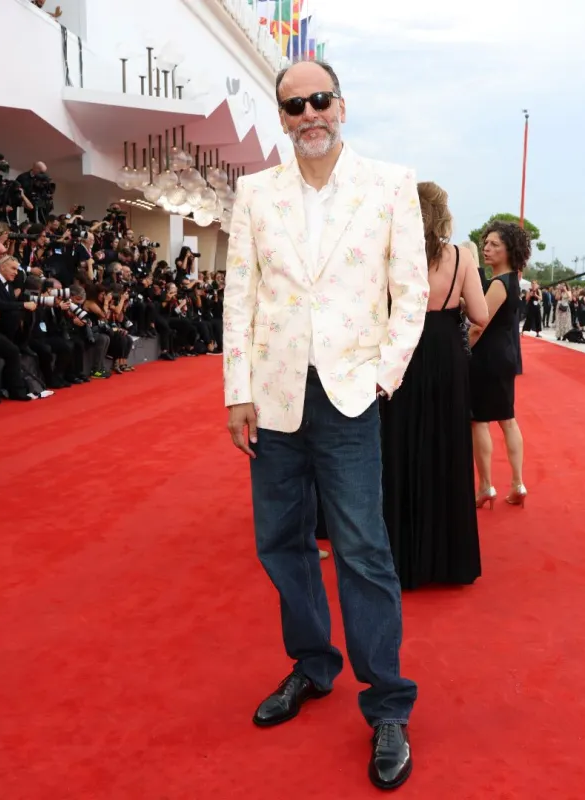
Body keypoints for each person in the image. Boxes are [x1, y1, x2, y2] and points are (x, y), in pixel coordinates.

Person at [223, 60, 427, 791]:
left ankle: (388, 704)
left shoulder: (390, 185)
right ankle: (312, 666)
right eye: (293, 105)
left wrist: (383, 374)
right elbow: (239, 294)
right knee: (280, 542)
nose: (308, 113)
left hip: (348, 395)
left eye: (319, 100)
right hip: (274, 396)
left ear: (342, 105)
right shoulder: (253, 192)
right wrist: (236, 390)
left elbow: (411, 293)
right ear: (280, 117)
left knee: (363, 548)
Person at [381, 181, 488, 590]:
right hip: (446, 356)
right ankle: (449, 562)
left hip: (402, 354)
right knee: (446, 449)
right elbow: (479, 314)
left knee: (400, 446)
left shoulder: (393, 255)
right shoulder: (462, 257)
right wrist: (455, 301)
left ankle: (400, 558)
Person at [468, 220, 530, 508]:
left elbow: (479, 325)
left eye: (494, 244)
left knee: (479, 420)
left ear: (509, 250)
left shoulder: (498, 283)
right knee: (507, 419)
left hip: (486, 359)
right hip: (505, 357)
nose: (486, 248)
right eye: (486, 243)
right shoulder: (514, 281)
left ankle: (485, 486)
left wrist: (461, 351)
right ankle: (517, 482)